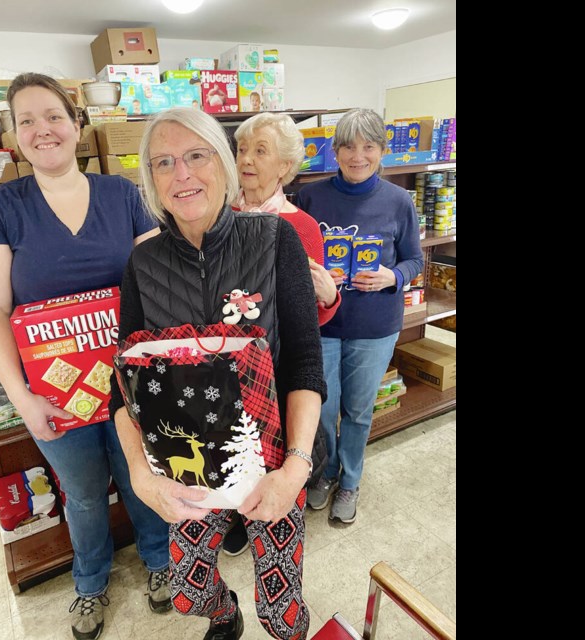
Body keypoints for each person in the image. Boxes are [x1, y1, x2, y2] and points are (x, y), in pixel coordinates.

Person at [109, 107, 325, 640]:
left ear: (224, 164)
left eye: (196, 156)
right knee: (186, 589)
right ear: (151, 182)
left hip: (271, 461)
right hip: (188, 467)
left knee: (282, 616)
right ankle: (225, 614)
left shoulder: (274, 240)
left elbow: (304, 364)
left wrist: (296, 469)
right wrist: (139, 473)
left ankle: (273, 618)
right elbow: (124, 388)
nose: (181, 174)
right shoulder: (144, 265)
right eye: (163, 162)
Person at [0, 73, 172, 640]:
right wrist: (24, 401)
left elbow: (152, 287)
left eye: (53, 116)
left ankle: (159, 563)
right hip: (54, 394)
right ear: (12, 137)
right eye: (26, 120)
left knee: (143, 476)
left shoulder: (122, 194)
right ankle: (90, 582)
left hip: (129, 384)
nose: (42, 130)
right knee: (83, 494)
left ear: (78, 125)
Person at [293, 108, 424, 524]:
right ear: (335, 151)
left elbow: (415, 261)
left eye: (368, 146)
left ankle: (350, 480)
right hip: (323, 327)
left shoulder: (399, 200)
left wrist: (393, 276)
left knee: (359, 411)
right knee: (322, 409)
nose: (357, 155)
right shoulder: (311, 196)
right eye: (348, 146)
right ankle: (325, 472)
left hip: (374, 328)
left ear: (382, 151)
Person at [220, 112, 342, 556]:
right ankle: (235, 516)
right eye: (241, 149)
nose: (246, 159)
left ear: (285, 169)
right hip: (224, 358)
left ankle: (269, 513)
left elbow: (308, 318)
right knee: (228, 442)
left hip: (276, 365)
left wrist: (329, 300)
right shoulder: (218, 215)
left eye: (260, 150)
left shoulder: (301, 228)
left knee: (270, 444)